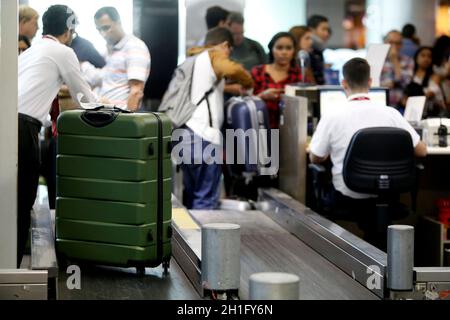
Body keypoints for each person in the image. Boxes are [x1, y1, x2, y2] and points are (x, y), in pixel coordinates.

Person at [310, 58, 427, 248]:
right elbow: (422, 151)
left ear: (343, 84)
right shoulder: (392, 114)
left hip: (347, 197)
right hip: (388, 194)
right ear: (370, 83)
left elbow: (316, 157)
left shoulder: (332, 115)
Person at [18, 5, 96, 267]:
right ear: (70, 28)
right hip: (23, 129)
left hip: (9, 124)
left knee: (10, 198)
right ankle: (11, 271)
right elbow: (86, 99)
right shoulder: (63, 51)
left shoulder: (30, 52)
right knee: (22, 200)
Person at [178, 27, 253, 210]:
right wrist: (248, 82)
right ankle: (202, 239)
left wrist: (230, 88)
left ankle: (189, 237)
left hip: (183, 133)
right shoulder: (213, 55)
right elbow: (232, 68)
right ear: (225, 45)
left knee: (192, 193)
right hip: (204, 136)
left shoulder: (192, 60)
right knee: (205, 198)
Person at [82, 7, 150, 110]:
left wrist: (127, 122)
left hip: (119, 119)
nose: (102, 33)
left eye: (106, 28)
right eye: (99, 29)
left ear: (119, 22)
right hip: (104, 116)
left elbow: (136, 91)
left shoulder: (135, 47)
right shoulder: (108, 51)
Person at [252, 32, 303, 129]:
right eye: (279, 48)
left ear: (294, 51)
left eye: (288, 48)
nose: (284, 52)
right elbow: (246, 103)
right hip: (260, 129)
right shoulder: (258, 72)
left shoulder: (299, 75)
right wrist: (261, 96)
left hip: (290, 130)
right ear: (272, 49)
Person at [408, 47, 447, 117]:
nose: (426, 59)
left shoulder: (435, 76)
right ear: (416, 58)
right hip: (415, 112)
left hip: (434, 113)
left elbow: (429, 94)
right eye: (423, 55)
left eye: (429, 56)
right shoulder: (410, 75)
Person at [381, 30, 415, 109]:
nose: (394, 46)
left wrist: (395, 60)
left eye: (397, 43)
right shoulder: (377, 60)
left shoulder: (408, 61)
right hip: (380, 104)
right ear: (385, 42)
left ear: (401, 45)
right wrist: (383, 86)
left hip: (399, 106)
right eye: (391, 42)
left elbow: (406, 83)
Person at [307, 15, 330, 85]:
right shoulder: (307, 51)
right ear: (312, 30)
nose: (326, 33)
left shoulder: (318, 50)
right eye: (323, 29)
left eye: (327, 30)